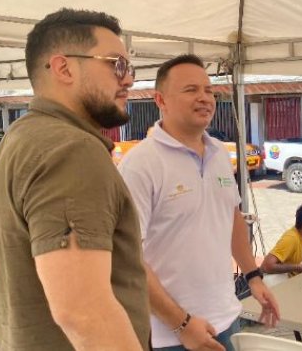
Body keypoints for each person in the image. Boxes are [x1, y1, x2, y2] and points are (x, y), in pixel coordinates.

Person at [0, 8, 150, 350]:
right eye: (116, 64)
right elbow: (84, 313)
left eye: (129, 68)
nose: (128, 79)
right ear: (64, 68)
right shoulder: (72, 150)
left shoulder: (20, 138)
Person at [118, 54, 280, 351]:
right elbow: (128, 258)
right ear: (160, 100)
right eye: (191, 90)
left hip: (226, 317)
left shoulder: (219, 152)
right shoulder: (140, 165)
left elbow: (230, 218)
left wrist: (254, 277)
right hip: (170, 334)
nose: (204, 98)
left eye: (208, 90)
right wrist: (181, 323)